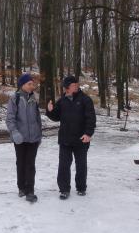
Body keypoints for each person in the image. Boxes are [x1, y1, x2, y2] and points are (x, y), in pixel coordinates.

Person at [46, 75, 96, 199]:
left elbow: (91, 118)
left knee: (81, 165)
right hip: (65, 139)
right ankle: (64, 190)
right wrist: (50, 111)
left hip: (81, 139)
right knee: (63, 165)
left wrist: (88, 133)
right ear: (67, 88)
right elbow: (56, 117)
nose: (76, 86)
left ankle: (81, 188)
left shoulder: (85, 100)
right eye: (73, 85)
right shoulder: (62, 101)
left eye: (76, 84)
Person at [6, 73, 43, 203]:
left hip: (33, 138)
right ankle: (21, 187)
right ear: (22, 85)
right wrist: (14, 132)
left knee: (30, 164)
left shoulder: (34, 98)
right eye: (29, 84)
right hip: (20, 138)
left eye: (32, 84)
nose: (32, 86)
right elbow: (10, 119)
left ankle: (30, 190)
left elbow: (37, 118)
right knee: (21, 163)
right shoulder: (14, 99)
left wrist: (39, 134)